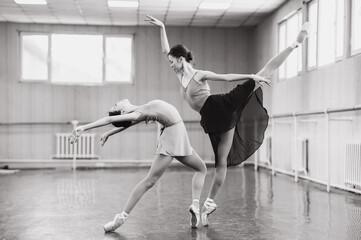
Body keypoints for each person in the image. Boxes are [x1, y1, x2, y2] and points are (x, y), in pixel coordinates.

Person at [146, 14, 310, 226]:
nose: (169, 65)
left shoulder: (199, 74)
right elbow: (164, 50)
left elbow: (226, 77)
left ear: (180, 59)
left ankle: (295, 43)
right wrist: (161, 27)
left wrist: (251, 77)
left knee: (262, 74)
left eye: (171, 61)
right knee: (220, 162)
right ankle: (208, 204)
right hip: (211, 119)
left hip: (221, 107)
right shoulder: (180, 76)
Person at [69, 99, 207, 231]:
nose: (118, 101)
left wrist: (109, 133)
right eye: (116, 105)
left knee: (201, 169)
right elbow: (109, 119)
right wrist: (84, 128)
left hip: (178, 132)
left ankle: (195, 205)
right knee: (149, 181)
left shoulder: (140, 111)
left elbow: (130, 123)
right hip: (173, 134)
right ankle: (121, 217)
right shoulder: (139, 113)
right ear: (123, 112)